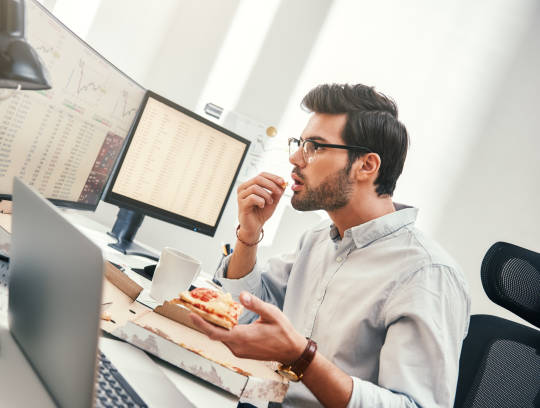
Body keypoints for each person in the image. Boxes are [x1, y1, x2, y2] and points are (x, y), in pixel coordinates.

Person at [190, 83, 470, 407]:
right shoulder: (319, 239)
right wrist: (249, 234)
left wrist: (301, 357)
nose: (295, 157)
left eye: (315, 146)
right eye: (299, 143)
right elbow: (245, 313)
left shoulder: (426, 274)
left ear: (366, 166)